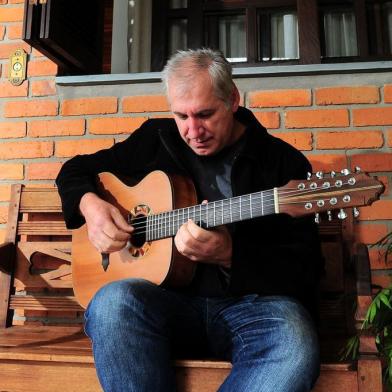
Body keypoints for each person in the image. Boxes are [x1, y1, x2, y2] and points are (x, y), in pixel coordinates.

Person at [56, 48, 324, 392]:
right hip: (167, 305)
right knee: (111, 304)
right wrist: (91, 206)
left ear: (233, 100)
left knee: (294, 338)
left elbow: (306, 269)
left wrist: (231, 254)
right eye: (181, 116)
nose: (193, 130)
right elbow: (74, 170)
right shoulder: (156, 139)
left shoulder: (281, 161)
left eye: (205, 114)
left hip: (250, 309)